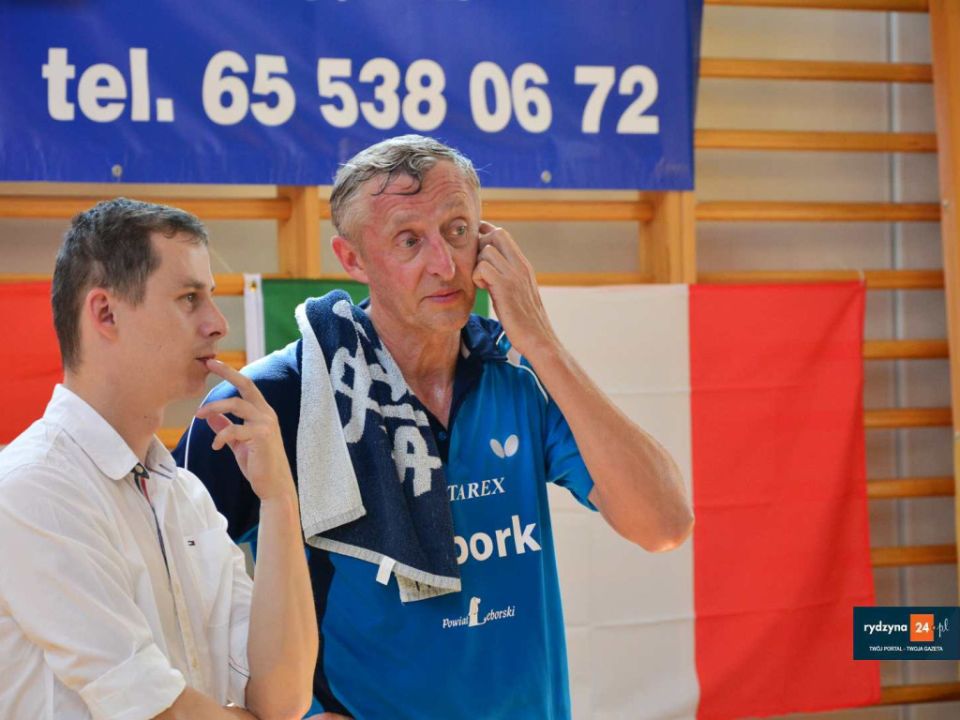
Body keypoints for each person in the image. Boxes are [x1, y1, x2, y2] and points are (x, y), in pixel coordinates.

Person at [175, 136, 694, 720]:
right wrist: (297, 711)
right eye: (408, 240)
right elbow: (175, 586)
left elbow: (665, 523)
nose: (445, 265)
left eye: (457, 230)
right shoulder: (278, 396)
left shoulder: (518, 374)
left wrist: (542, 341)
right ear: (352, 259)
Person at [0, 198, 317, 720]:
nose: (218, 324)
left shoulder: (184, 494)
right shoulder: (34, 489)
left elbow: (283, 699)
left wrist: (280, 498)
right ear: (106, 313)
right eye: (189, 298)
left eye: (210, 296)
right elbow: (160, 712)